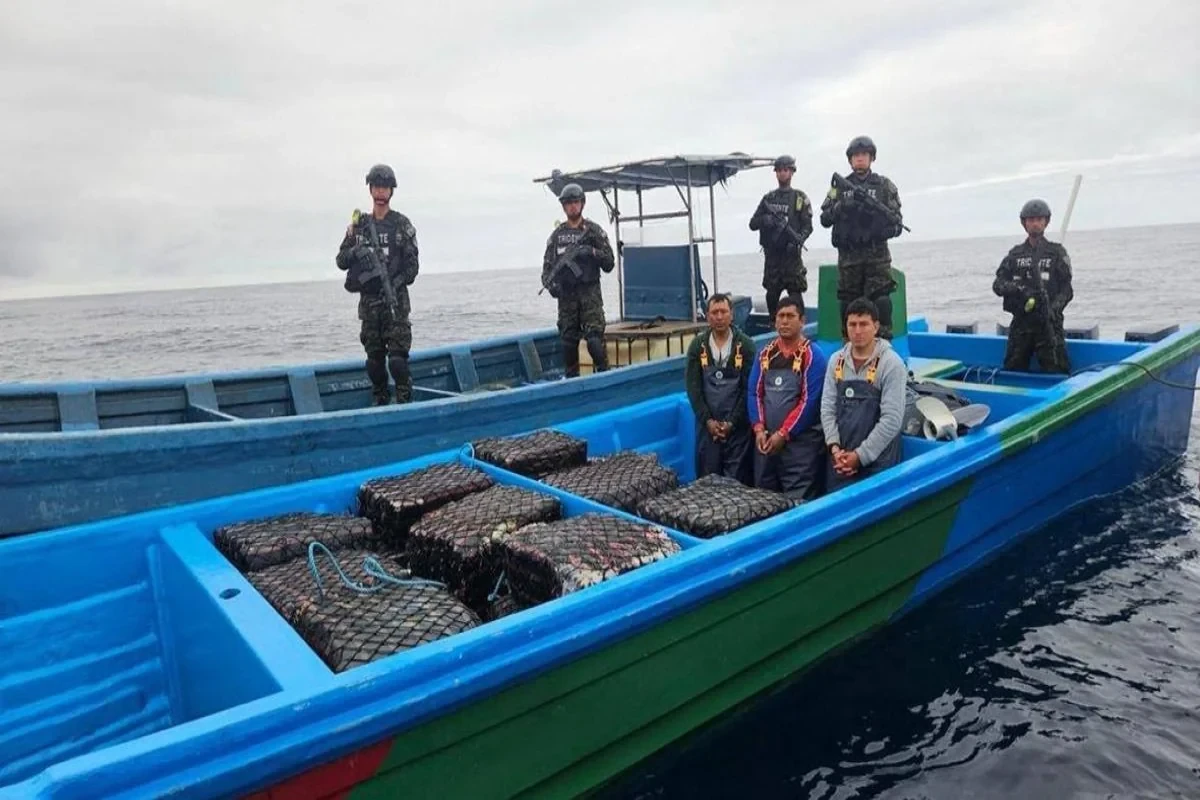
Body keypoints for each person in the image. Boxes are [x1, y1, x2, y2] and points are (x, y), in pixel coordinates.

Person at [336, 163, 420, 405]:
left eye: (385, 188)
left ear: (391, 191)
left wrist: (394, 282)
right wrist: (356, 252)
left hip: (395, 303)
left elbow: (412, 269)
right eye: (377, 187)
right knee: (374, 361)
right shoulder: (359, 226)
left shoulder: (401, 225)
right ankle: (380, 400)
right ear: (370, 190)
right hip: (369, 305)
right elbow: (341, 260)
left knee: (397, 360)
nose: (381, 193)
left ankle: (405, 400)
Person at [819, 135, 904, 340]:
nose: (860, 159)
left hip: (876, 256)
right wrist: (841, 206)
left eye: (864, 154)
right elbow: (824, 218)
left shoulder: (885, 186)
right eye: (856, 155)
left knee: (882, 301)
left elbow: (897, 224)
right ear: (850, 159)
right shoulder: (839, 187)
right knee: (848, 304)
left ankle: (883, 345)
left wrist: (881, 231)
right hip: (849, 257)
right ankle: (848, 345)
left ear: (871, 158)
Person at [821, 298, 907, 491]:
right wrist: (835, 449)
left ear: (876, 327)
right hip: (840, 462)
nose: (858, 331)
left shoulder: (891, 364)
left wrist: (860, 457)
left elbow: (892, 420)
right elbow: (827, 408)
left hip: (878, 466)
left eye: (864, 324)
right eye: (852, 324)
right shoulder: (836, 361)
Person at [747, 296, 828, 501]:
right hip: (766, 444)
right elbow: (754, 393)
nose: (784, 321)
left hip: (800, 448)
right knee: (764, 500)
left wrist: (784, 434)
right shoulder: (765, 354)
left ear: (802, 321)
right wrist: (758, 430)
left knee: (797, 501)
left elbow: (809, 401)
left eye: (790, 316)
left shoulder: (813, 355)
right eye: (780, 316)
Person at [541, 183, 616, 377]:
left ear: (582, 204)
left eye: (575, 202)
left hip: (589, 296)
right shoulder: (557, 237)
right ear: (564, 207)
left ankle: (604, 376)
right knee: (568, 344)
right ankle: (572, 383)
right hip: (567, 299)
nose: (572, 207)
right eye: (568, 203)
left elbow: (609, 263)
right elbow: (547, 269)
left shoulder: (593, 232)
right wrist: (552, 286)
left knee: (594, 342)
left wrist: (591, 252)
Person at [992, 199, 1074, 373]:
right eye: (1031, 220)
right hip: (1022, 323)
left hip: (1049, 323)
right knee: (1012, 370)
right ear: (1025, 223)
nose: (1035, 224)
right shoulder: (1015, 254)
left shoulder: (1056, 252)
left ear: (1045, 222)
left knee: (1057, 370)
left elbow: (1067, 289)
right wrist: (1020, 289)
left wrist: (1054, 309)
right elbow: (998, 285)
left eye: (1039, 219)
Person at [685, 294, 757, 484]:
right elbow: (694, 389)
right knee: (707, 482)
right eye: (714, 312)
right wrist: (708, 421)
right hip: (707, 430)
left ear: (731, 314)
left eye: (723, 312)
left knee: (738, 482)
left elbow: (749, 389)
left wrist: (732, 423)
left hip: (738, 431)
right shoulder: (696, 346)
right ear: (707, 316)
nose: (719, 317)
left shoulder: (747, 346)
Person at [748, 154, 813, 318]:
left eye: (786, 170)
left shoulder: (800, 198)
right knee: (771, 295)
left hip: (792, 257)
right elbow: (752, 223)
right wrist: (765, 220)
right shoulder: (769, 198)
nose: (782, 174)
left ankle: (799, 329)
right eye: (779, 170)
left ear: (792, 172)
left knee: (796, 297)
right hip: (773, 258)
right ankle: (773, 326)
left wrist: (799, 240)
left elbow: (808, 226)